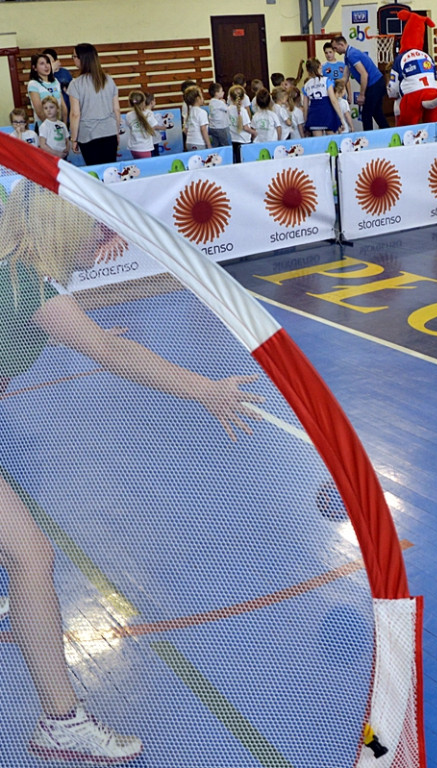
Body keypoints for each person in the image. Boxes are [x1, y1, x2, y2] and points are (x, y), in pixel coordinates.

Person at [0, 180, 262, 763]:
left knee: (24, 554)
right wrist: (207, 390)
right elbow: (108, 350)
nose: (98, 235)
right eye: (88, 226)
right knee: (31, 555)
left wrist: (92, 247)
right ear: (60, 229)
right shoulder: (25, 289)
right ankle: (61, 722)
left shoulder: (17, 274)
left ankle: (58, 720)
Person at [67, 43, 119, 165]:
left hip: (88, 135)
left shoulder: (75, 84)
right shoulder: (108, 80)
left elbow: (75, 114)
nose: (73, 59)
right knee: (110, 172)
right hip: (109, 132)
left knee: (95, 172)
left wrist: (74, 139)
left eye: (74, 56)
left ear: (82, 59)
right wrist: (116, 131)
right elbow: (116, 109)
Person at [332, 35, 389, 131]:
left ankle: (368, 140)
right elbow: (344, 78)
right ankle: (388, 133)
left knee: (366, 115)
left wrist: (362, 95)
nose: (335, 50)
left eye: (335, 48)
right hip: (376, 83)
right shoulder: (347, 56)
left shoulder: (352, 55)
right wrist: (331, 84)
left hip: (375, 84)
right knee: (376, 113)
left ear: (341, 44)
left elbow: (364, 74)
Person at [301, 58, 345, 137]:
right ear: (320, 67)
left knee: (319, 144)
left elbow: (305, 107)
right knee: (332, 141)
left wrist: (306, 122)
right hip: (327, 112)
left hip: (314, 115)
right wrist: (341, 118)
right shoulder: (326, 80)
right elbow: (333, 100)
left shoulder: (306, 85)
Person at [27, 52, 67, 128]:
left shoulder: (55, 81)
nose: (46, 66)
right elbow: (39, 110)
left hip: (59, 124)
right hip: (43, 126)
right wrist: (51, 126)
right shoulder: (33, 84)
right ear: (34, 68)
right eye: (42, 64)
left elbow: (63, 106)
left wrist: (64, 125)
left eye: (48, 63)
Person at [122, 90, 159, 159]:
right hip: (145, 148)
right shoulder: (149, 114)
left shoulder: (128, 115)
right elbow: (154, 126)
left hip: (134, 148)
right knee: (146, 167)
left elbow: (130, 126)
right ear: (144, 102)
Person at [227, 84, 256, 163]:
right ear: (243, 98)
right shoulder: (243, 111)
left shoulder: (228, 109)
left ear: (230, 97)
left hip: (234, 139)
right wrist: (255, 133)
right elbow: (245, 127)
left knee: (237, 161)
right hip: (244, 140)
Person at [42, 48, 73, 114]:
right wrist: (51, 70)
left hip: (67, 108)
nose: (47, 64)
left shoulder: (65, 72)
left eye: (49, 60)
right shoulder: (43, 75)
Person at [182, 85, 211, 151]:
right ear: (198, 98)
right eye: (202, 96)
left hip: (189, 142)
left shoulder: (189, 113)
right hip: (199, 143)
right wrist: (208, 144)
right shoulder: (202, 112)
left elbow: (185, 130)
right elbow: (203, 129)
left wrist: (192, 138)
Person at [207, 82, 231, 148]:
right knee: (224, 144)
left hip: (213, 127)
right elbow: (227, 109)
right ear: (216, 93)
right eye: (221, 91)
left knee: (216, 144)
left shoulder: (211, 101)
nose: (223, 92)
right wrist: (224, 102)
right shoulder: (219, 103)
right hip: (221, 127)